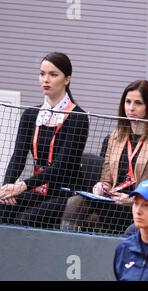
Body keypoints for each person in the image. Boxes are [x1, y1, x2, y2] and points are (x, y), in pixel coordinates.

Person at [60, 80, 148, 234]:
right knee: (75, 202)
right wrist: (102, 186)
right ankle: (66, 250)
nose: (131, 108)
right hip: (112, 201)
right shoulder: (115, 137)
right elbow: (107, 177)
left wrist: (133, 200)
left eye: (138, 103)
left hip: (139, 205)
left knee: (93, 220)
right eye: (128, 102)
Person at [0, 52, 89, 228]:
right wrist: (7, 188)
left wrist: (22, 186)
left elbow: (62, 164)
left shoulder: (78, 118)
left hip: (65, 193)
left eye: (53, 74)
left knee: (25, 220)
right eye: (42, 74)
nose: (45, 79)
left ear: (67, 79)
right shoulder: (31, 114)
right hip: (38, 189)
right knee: (3, 207)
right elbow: (18, 157)